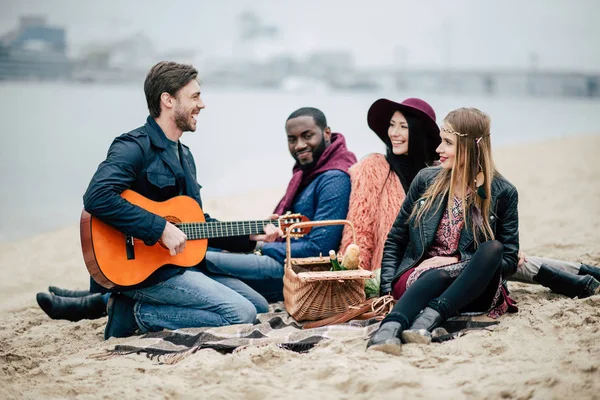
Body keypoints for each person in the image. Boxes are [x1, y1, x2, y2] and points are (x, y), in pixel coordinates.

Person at [49, 61, 286, 339]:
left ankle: (134, 308)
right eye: (195, 97)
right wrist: (159, 228)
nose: (202, 104)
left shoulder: (185, 155)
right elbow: (97, 196)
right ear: (168, 100)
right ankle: (137, 313)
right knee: (239, 314)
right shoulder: (133, 146)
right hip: (139, 270)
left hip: (176, 265)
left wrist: (253, 236)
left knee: (257, 306)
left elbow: (196, 222)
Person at [340, 97, 600, 297]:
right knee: (506, 260)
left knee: (510, 258)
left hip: (456, 258)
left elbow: (480, 222)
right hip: (409, 263)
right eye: (391, 125)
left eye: (403, 126)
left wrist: (490, 250)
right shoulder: (378, 169)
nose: (393, 133)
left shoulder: (444, 168)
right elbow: (363, 228)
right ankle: (577, 275)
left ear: (419, 131)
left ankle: (581, 273)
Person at [367, 107, 520, 355]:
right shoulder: (426, 179)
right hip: (419, 278)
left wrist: (457, 260)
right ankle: (390, 329)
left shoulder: (503, 193)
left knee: (494, 248)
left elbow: (509, 260)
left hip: (472, 288)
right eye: (440, 141)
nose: (438, 150)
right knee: (435, 276)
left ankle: (429, 316)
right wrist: (386, 290)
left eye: (447, 143)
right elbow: (396, 238)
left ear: (472, 147)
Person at [204, 107, 356, 302]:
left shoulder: (334, 179)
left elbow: (318, 249)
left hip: (295, 270)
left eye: (307, 136)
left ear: (326, 133)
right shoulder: (308, 172)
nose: (299, 145)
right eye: (292, 139)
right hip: (282, 256)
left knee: (201, 260)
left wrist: (259, 247)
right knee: (205, 249)